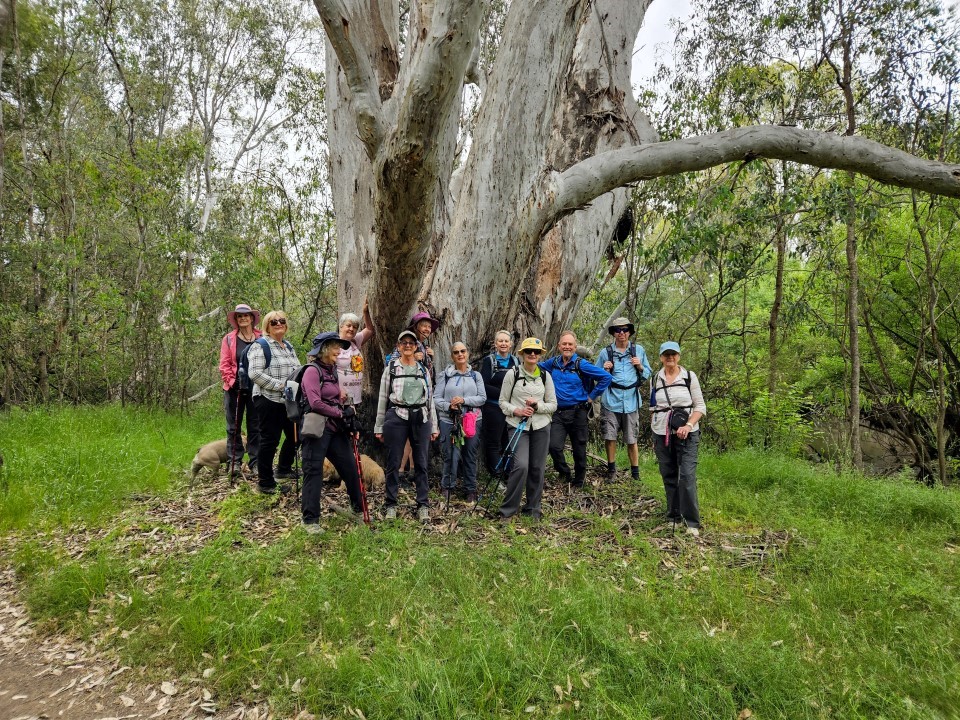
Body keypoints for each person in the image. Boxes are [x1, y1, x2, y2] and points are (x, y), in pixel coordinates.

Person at [299, 332, 365, 533]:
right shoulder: (312, 371)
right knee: (314, 472)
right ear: (325, 349)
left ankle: (357, 510)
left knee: (350, 468)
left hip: (336, 429)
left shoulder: (332, 370)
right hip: (317, 429)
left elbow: (334, 396)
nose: (339, 351)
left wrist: (345, 409)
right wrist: (339, 412)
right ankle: (310, 520)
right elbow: (315, 403)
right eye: (336, 347)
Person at [375, 329, 439, 521]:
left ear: (416, 346)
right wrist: (379, 426)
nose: (408, 345)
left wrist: (434, 425)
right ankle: (391, 504)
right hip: (397, 416)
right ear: (398, 347)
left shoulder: (423, 370)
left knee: (421, 463)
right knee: (393, 462)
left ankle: (423, 504)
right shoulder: (392, 369)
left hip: (421, 417)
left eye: (412, 343)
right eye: (404, 343)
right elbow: (382, 398)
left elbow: (430, 400)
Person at [539, 331, 612, 489]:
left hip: (579, 412)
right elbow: (536, 368)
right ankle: (564, 472)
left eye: (570, 344)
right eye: (564, 344)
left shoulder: (581, 364)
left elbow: (606, 377)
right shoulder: (553, 363)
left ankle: (578, 482)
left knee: (579, 448)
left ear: (575, 347)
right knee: (553, 446)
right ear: (559, 346)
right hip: (558, 412)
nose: (567, 347)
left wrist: (592, 396)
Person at [650, 341, 706, 536]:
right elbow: (653, 406)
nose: (670, 358)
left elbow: (700, 407)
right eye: (666, 354)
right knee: (669, 474)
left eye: (673, 354)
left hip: (688, 434)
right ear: (661, 357)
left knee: (687, 476)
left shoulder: (689, 377)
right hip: (661, 434)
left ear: (679, 356)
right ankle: (673, 515)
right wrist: (655, 429)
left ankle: (691, 522)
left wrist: (688, 425)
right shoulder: (656, 378)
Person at [498, 337, 557, 520]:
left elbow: (553, 404)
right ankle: (508, 511)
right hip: (518, 426)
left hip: (541, 426)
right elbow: (502, 402)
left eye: (536, 352)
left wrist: (538, 406)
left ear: (540, 355)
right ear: (522, 354)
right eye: (529, 351)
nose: (533, 354)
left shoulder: (545, 376)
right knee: (521, 465)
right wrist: (517, 410)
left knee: (537, 468)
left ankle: (533, 509)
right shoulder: (513, 374)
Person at [246, 310, 301, 494]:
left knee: (297, 435)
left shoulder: (288, 346)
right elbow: (254, 373)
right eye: (273, 321)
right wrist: (280, 385)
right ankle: (265, 482)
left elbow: (298, 370)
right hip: (267, 399)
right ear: (267, 326)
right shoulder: (261, 345)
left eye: (282, 321)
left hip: (288, 401)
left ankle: (283, 469)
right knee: (270, 440)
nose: (278, 324)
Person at [596, 317, 652, 482]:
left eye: (625, 329)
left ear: (629, 332)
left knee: (631, 438)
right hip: (611, 399)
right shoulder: (605, 352)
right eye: (618, 330)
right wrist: (604, 370)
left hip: (631, 400)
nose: (622, 333)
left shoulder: (638, 350)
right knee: (610, 437)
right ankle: (611, 471)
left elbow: (647, 374)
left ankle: (635, 474)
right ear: (613, 333)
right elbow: (595, 375)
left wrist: (640, 366)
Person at [434, 342, 487, 504]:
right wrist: (448, 405)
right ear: (452, 356)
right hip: (449, 420)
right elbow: (436, 398)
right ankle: (447, 486)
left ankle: (470, 489)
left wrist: (464, 400)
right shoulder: (445, 375)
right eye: (456, 352)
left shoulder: (475, 376)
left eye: (463, 351)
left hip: (471, 420)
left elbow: (482, 398)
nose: (460, 354)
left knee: (470, 455)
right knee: (451, 454)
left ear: (468, 353)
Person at [218, 303, 262, 479]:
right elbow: (224, 364)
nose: (243, 318)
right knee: (233, 427)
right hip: (234, 388)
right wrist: (231, 381)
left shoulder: (262, 337)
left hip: (256, 388)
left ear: (252, 318)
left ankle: (255, 461)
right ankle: (234, 461)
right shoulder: (229, 339)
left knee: (255, 426)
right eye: (239, 316)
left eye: (246, 315)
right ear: (236, 319)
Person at [479, 330, 520, 475]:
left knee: (509, 442)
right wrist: (504, 394)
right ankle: (496, 474)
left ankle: (508, 474)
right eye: (500, 341)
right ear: (495, 344)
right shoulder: (489, 361)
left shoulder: (516, 361)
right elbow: (484, 385)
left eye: (506, 341)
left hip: (512, 409)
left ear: (511, 344)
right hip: (494, 407)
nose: (503, 344)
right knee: (494, 442)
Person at [336, 300, 375, 406]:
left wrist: (365, 312)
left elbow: (370, 329)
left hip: (355, 397)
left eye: (354, 327)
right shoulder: (333, 345)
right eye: (348, 325)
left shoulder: (355, 341)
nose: (351, 329)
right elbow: (326, 372)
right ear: (341, 326)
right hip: (339, 397)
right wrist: (336, 390)